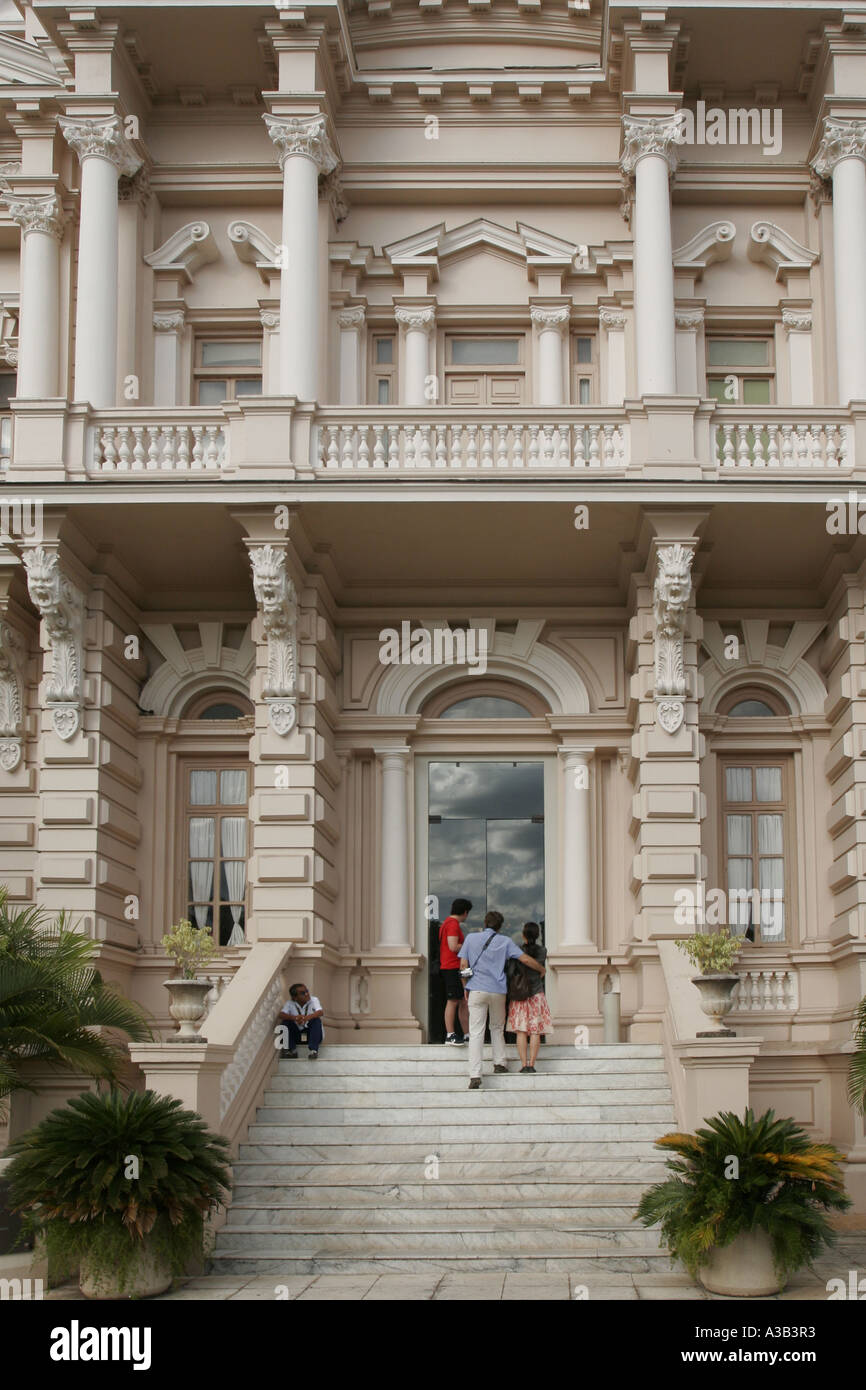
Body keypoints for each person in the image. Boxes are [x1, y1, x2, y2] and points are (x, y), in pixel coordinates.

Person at [459, 910, 545, 1090]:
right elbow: (526, 960)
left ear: (485, 922)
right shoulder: (505, 941)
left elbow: (463, 966)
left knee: (476, 1033)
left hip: (476, 989)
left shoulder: (470, 939)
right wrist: (541, 969)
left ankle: (475, 1074)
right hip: (498, 991)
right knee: (497, 1027)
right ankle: (499, 1063)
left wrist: (466, 985)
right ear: (500, 926)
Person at [506, 922, 551, 1074]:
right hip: (537, 994)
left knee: (521, 1031)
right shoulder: (543, 951)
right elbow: (539, 970)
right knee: (535, 1031)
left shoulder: (517, 951)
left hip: (520, 995)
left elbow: (511, 972)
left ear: (523, 935)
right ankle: (532, 1064)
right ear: (537, 935)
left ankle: (524, 1064)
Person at [439, 897, 471, 1045]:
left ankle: (466, 1034)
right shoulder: (452, 924)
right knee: (453, 1001)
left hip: (456, 967)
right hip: (452, 967)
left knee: (463, 1001)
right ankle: (450, 1034)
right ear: (465, 912)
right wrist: (469, 945)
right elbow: (453, 946)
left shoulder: (447, 923)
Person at [279, 983, 324, 1059]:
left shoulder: (314, 1000)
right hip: (297, 1035)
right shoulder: (290, 1003)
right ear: (295, 998)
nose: (307, 994)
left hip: (311, 1035)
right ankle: (291, 1051)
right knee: (285, 1023)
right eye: (303, 993)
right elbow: (281, 1015)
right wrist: (295, 1018)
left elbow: (320, 1012)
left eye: (307, 991)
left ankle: (313, 1051)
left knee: (316, 1020)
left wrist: (307, 1018)